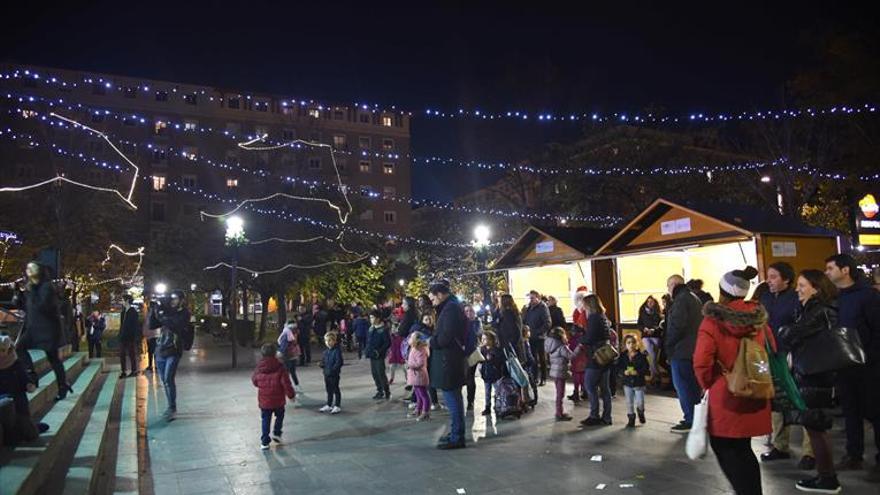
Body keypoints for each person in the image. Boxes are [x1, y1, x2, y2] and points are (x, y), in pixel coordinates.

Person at [693, 266, 774, 495]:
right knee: (743, 449)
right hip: (755, 388)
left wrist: (707, 384)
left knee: (726, 448)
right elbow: (773, 349)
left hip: (725, 393)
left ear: (721, 290)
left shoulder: (712, 322)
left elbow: (702, 362)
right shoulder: (759, 320)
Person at [777, 269, 843, 493]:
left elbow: (792, 333)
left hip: (816, 375)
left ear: (816, 288)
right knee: (815, 427)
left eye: (802, 285)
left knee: (816, 427)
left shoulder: (819, 311)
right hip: (814, 374)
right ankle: (825, 476)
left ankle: (827, 478)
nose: (797, 289)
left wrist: (785, 330)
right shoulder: (814, 309)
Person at [825, 254, 880, 477]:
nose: (827, 273)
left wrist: (871, 358)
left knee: (875, 412)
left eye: (830, 268)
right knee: (851, 412)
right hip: (846, 365)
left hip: (869, 366)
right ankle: (854, 454)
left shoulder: (868, 296)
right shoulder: (839, 297)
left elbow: (877, 330)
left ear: (845, 270)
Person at [758, 262, 814, 469]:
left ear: (786, 280)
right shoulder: (764, 298)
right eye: (769, 277)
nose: (769, 281)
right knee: (776, 402)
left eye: (773, 277)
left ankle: (810, 451)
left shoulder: (795, 299)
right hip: (770, 356)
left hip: (792, 356)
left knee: (801, 401)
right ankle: (780, 445)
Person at [13, 261, 71, 401]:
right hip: (34, 328)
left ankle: (62, 386)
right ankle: (32, 375)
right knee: (19, 347)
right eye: (27, 267)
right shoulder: (32, 287)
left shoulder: (46, 287)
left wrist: (29, 291)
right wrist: (18, 293)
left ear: (39, 271)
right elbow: (25, 306)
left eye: (32, 268)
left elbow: (41, 306)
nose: (28, 270)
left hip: (48, 330)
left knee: (54, 360)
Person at [428, 279, 468, 450]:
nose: (432, 302)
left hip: (449, 360)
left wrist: (432, 341)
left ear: (440, 294)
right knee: (454, 399)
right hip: (451, 359)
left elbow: (446, 336)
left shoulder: (450, 308)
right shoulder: (451, 306)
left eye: (433, 298)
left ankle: (457, 436)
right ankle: (455, 433)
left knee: (453, 400)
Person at [665, 274, 704, 433]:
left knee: (683, 386)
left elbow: (677, 326)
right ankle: (696, 417)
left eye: (668, 286)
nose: (668, 290)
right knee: (693, 386)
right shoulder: (694, 298)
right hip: (695, 349)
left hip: (681, 350)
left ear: (674, 285)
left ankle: (690, 419)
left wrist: (668, 344)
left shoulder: (680, 300)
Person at [0, 333, 49, 445]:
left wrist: (28, 384)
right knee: (6, 407)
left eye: (3, 350)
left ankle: (29, 429)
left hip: (16, 394)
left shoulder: (15, 363)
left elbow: (24, 377)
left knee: (20, 410)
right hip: (2, 395)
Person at [155, 290, 191, 421]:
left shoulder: (184, 313)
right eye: (172, 298)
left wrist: (163, 315)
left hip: (174, 350)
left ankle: (172, 407)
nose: (173, 300)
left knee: (168, 379)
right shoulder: (166, 310)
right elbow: (153, 323)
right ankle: (170, 406)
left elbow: (175, 325)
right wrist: (156, 309)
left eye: (175, 298)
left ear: (181, 299)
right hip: (160, 349)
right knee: (164, 381)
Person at [579, 294, 614, 427]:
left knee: (589, 385)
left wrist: (581, 337)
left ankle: (594, 415)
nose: (583, 307)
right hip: (605, 356)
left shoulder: (593, 318)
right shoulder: (603, 317)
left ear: (589, 305)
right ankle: (607, 417)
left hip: (595, 357)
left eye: (584, 305)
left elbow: (590, 338)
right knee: (605, 388)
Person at [252, 343, 295, 450]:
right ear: (275, 353)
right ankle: (277, 432)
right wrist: (291, 395)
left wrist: (262, 385)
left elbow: (255, 380)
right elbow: (286, 383)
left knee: (265, 419)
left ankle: (265, 441)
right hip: (278, 400)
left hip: (264, 400)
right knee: (279, 416)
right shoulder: (280, 367)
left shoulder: (259, 367)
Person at [545, 326, 580, 421]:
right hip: (561, 372)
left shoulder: (552, 346)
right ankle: (559, 412)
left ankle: (559, 411)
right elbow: (571, 356)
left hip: (555, 372)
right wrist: (578, 348)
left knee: (558, 392)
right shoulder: (562, 347)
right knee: (560, 393)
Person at [522, 290, 551, 385]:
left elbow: (547, 323)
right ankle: (534, 377)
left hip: (539, 337)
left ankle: (543, 377)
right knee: (532, 357)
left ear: (537, 298)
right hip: (530, 337)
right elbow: (525, 320)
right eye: (529, 298)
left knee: (541, 358)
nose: (530, 300)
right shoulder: (529, 308)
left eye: (532, 298)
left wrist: (537, 332)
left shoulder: (543, 308)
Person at [365, 310, 391, 400]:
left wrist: (379, 351)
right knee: (374, 373)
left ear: (378, 318)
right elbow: (368, 340)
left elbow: (387, 343)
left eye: (372, 317)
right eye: (370, 317)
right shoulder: (371, 328)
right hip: (372, 354)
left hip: (379, 355)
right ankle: (379, 390)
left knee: (380, 373)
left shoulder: (383, 329)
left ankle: (386, 391)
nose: (371, 319)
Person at [638, 295, 663, 382]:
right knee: (652, 353)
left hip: (655, 335)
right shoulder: (642, 312)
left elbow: (660, 325)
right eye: (648, 302)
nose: (650, 303)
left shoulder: (658, 312)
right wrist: (644, 329)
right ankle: (657, 373)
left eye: (651, 302)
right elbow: (639, 324)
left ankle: (653, 377)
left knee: (654, 357)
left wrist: (653, 329)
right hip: (645, 336)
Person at [406, 331, 431, 421]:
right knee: (418, 394)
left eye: (411, 338)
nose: (409, 339)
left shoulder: (421, 349)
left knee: (423, 394)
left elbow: (420, 363)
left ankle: (425, 412)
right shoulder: (414, 348)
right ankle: (418, 410)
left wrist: (410, 365)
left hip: (419, 375)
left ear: (416, 340)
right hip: (414, 375)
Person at [479, 330, 504, 416]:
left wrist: (492, 358)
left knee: (497, 392)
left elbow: (500, 361)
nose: (483, 341)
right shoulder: (482, 350)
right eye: (482, 339)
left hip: (495, 375)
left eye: (485, 339)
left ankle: (498, 406)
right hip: (486, 375)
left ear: (491, 340)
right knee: (487, 393)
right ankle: (487, 407)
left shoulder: (496, 350)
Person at [319, 332, 343, 414]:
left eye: (330, 340)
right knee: (329, 390)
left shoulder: (337, 351)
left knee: (336, 389)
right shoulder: (325, 352)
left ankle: (337, 405)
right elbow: (323, 361)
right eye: (326, 341)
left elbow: (339, 362)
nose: (328, 342)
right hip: (326, 374)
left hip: (334, 375)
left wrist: (333, 370)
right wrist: (321, 364)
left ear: (334, 341)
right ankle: (329, 404)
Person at [464, 305, 482, 411]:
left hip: (472, 353)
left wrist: (471, 322)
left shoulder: (476, 323)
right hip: (462, 353)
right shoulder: (461, 323)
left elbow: (477, 333)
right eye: (466, 311)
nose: (469, 313)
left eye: (471, 311)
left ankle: (470, 400)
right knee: (464, 377)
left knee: (470, 377)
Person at [118, 295, 141, 379]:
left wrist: (135, 336)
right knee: (122, 354)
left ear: (127, 301)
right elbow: (122, 325)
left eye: (123, 300)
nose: (122, 302)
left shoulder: (133, 312)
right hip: (122, 336)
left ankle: (134, 370)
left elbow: (135, 326)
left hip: (130, 337)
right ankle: (123, 371)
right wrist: (120, 334)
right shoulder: (123, 312)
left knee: (131, 354)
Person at [497, 294, 524, 360]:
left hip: (510, 346)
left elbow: (513, 330)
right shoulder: (514, 312)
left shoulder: (508, 314)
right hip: (514, 346)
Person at [277, 321, 301, 389]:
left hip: (287, 355)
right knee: (293, 372)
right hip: (294, 354)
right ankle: (297, 385)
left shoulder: (286, 333)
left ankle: (287, 386)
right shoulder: (295, 332)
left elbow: (283, 346)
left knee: (286, 372)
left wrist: (280, 352)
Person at [522, 325, 538, 407]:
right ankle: (533, 399)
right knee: (531, 381)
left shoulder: (521, 342)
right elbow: (529, 354)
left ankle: (526, 398)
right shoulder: (526, 343)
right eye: (529, 331)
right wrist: (533, 361)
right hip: (528, 365)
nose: (530, 333)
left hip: (524, 364)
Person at [143, 297, 161, 373]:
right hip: (151, 335)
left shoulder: (154, 314)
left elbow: (148, 325)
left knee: (153, 351)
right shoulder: (149, 313)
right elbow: (146, 324)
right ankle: (151, 365)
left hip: (154, 335)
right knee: (151, 351)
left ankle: (155, 365)